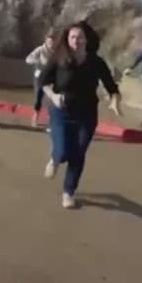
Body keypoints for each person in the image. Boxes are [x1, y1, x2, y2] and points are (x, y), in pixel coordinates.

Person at [39, 23, 122, 209]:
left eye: (80, 37)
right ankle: (55, 158)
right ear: (68, 40)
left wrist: (115, 101)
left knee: (78, 154)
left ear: (87, 39)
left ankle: (68, 193)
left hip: (86, 114)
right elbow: (43, 81)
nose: (76, 40)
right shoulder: (59, 58)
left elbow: (112, 87)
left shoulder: (96, 62)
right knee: (62, 151)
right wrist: (53, 96)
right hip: (61, 111)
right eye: (73, 37)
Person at [25, 28, 55, 128]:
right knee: (38, 98)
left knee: (51, 99)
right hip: (40, 77)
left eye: (53, 40)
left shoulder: (57, 51)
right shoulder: (40, 49)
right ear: (46, 40)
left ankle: (50, 120)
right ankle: (35, 117)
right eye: (49, 40)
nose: (51, 43)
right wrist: (38, 62)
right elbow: (28, 59)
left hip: (51, 78)